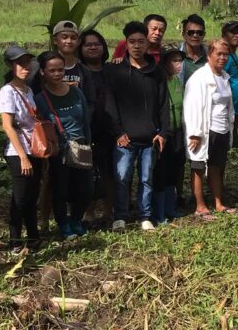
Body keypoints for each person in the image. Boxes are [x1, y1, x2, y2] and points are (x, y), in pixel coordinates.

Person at [105, 22, 170, 232]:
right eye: (132, 42)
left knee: (146, 179)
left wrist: (163, 132)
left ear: (147, 44)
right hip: (125, 138)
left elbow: (163, 105)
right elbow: (110, 104)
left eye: (141, 42)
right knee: (122, 178)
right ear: (126, 44)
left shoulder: (156, 72)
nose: (136, 46)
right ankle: (120, 216)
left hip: (149, 137)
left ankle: (145, 216)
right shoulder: (115, 71)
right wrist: (117, 132)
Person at [34, 51, 93, 239]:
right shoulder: (40, 99)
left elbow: (85, 121)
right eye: (52, 70)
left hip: (80, 146)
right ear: (43, 72)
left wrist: (88, 143)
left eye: (60, 70)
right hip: (59, 150)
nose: (57, 74)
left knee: (86, 188)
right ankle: (64, 224)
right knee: (60, 189)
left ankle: (76, 220)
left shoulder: (76, 92)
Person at [183, 39, 237, 220]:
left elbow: (228, 107)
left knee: (216, 167)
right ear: (209, 55)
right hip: (205, 130)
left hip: (221, 130)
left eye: (225, 54)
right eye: (218, 54)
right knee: (198, 167)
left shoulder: (224, 77)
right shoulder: (199, 78)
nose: (222, 58)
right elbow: (191, 107)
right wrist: (195, 133)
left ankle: (218, 203)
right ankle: (200, 206)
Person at [0, 45, 44, 251]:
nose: (25, 67)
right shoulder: (7, 91)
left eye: (27, 62)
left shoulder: (28, 90)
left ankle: (33, 236)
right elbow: (7, 125)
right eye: (20, 63)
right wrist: (22, 157)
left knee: (32, 194)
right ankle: (15, 238)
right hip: (17, 151)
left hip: (33, 147)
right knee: (20, 196)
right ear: (10, 65)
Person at [79, 30, 114, 223]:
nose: (93, 47)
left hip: (109, 129)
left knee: (110, 171)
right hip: (86, 130)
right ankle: (88, 211)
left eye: (97, 44)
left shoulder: (112, 70)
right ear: (81, 49)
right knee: (87, 172)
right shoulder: (78, 72)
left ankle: (108, 210)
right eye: (88, 44)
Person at [152, 48, 186, 225]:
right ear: (165, 63)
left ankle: (170, 208)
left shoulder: (177, 82)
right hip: (162, 133)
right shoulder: (158, 82)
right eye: (174, 61)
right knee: (161, 171)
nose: (178, 64)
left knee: (175, 168)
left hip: (178, 131)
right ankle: (158, 212)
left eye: (180, 60)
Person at [221, 21, 238, 150]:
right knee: (226, 148)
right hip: (226, 112)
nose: (237, 35)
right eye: (233, 32)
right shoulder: (224, 56)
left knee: (232, 147)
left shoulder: (233, 54)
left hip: (234, 111)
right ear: (224, 35)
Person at [179, 14, 208, 87]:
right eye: (191, 32)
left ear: (204, 35)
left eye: (199, 33)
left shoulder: (211, 55)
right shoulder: (175, 55)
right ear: (183, 34)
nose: (195, 35)